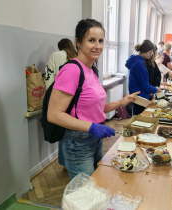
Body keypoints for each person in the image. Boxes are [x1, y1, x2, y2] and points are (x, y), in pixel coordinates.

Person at [47, 18, 139, 179]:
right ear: (78, 42)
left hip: (94, 139)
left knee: (96, 182)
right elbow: (54, 114)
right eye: (91, 40)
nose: (97, 46)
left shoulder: (91, 70)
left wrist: (120, 103)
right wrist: (91, 127)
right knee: (85, 192)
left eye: (101, 41)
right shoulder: (72, 70)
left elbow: (93, 107)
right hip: (78, 141)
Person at [43, 38, 77, 169]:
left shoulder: (55, 56)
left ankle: (64, 162)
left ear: (60, 46)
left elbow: (48, 76)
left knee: (62, 130)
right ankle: (74, 159)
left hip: (59, 98)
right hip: (74, 99)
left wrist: (51, 97)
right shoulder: (76, 57)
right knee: (74, 128)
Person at [126, 40, 161, 115]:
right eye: (150, 53)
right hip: (140, 96)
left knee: (136, 115)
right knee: (140, 117)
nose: (151, 55)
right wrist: (155, 89)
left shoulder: (136, 60)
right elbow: (144, 85)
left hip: (137, 94)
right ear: (144, 51)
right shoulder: (139, 63)